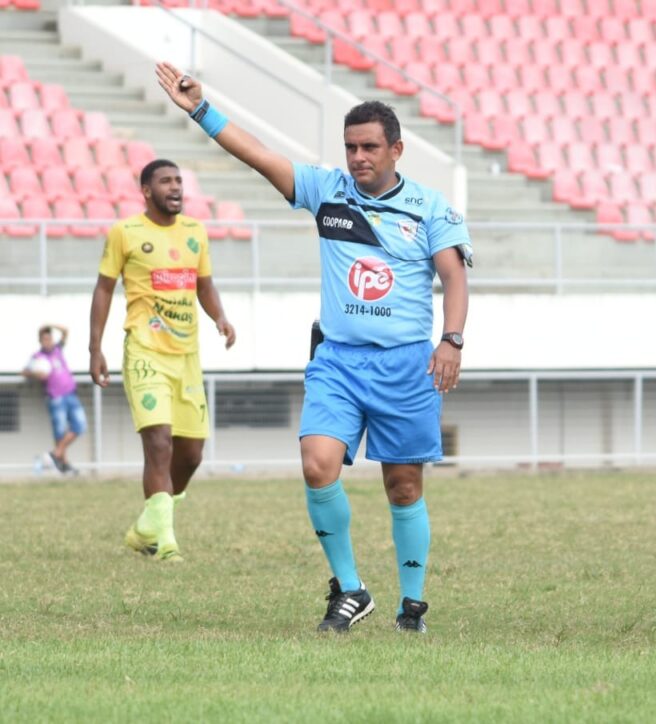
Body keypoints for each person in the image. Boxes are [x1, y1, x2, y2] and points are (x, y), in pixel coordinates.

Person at [155, 62, 470, 634]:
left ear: (396, 149)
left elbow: (454, 277)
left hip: (405, 364)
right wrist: (201, 108)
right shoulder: (327, 191)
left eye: (369, 146)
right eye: (350, 146)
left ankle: (413, 606)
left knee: (403, 485)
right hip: (338, 361)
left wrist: (451, 340)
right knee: (316, 464)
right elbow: (257, 155)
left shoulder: (429, 207)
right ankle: (350, 589)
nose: (358, 157)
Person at [89, 158, 236, 563]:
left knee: (191, 454)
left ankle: (146, 526)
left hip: (187, 355)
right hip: (144, 350)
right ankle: (164, 543)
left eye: (179, 181)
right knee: (158, 442)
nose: (175, 188)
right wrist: (94, 347)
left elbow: (204, 284)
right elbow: (103, 289)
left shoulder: (195, 232)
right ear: (147, 191)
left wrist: (220, 317)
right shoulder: (126, 232)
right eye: (166, 182)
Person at [23, 324, 87, 474]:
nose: (48, 341)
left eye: (49, 338)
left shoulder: (58, 349)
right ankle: (63, 465)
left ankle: (54, 455)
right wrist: (35, 374)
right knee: (60, 432)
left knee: (80, 426)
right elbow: (25, 371)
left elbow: (66, 331)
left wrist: (50, 325)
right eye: (44, 339)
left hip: (71, 394)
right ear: (40, 341)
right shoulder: (37, 357)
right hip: (55, 398)